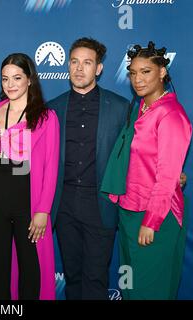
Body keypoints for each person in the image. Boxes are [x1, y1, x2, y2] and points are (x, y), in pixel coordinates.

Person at [0, 53, 59, 300]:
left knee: (30, 268)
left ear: (30, 80)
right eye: (5, 79)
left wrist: (43, 210)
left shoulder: (46, 117)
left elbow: (51, 168)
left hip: (27, 202)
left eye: (17, 78)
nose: (10, 84)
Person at [103, 41, 192, 299]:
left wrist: (151, 222)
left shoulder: (171, 115)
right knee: (130, 288)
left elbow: (166, 177)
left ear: (162, 72)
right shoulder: (141, 107)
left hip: (154, 218)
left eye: (146, 72)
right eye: (133, 73)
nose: (137, 79)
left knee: (151, 290)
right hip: (129, 211)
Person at [46, 38, 130, 300]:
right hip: (65, 206)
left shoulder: (119, 108)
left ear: (99, 69)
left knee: (95, 279)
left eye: (87, 62)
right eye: (74, 62)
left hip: (101, 204)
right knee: (72, 276)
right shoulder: (53, 109)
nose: (79, 69)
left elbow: (134, 155)